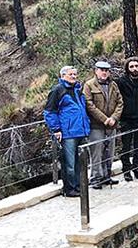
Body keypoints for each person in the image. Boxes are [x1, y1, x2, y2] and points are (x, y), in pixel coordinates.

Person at [43, 65, 90, 197]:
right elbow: (49, 111)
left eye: (75, 74)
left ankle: (79, 185)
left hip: (81, 130)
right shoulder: (58, 90)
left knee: (80, 161)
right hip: (68, 132)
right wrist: (56, 129)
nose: (74, 77)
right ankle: (69, 189)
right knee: (69, 162)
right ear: (63, 76)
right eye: (71, 74)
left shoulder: (77, 90)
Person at [83, 61, 123, 189]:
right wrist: (104, 119)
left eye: (106, 70)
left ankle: (107, 175)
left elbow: (120, 102)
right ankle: (95, 178)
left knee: (109, 151)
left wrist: (114, 118)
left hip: (111, 125)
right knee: (96, 152)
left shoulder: (113, 85)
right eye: (101, 70)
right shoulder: (89, 85)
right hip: (96, 125)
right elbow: (89, 105)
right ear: (96, 71)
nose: (104, 72)